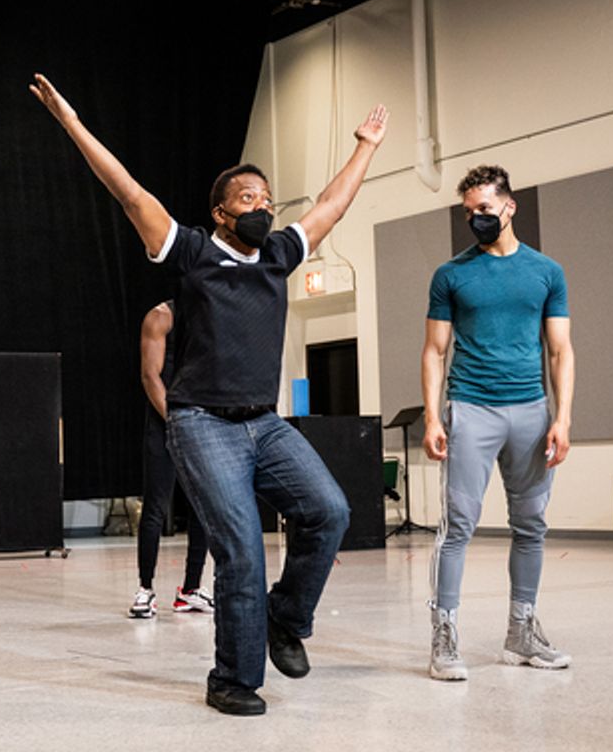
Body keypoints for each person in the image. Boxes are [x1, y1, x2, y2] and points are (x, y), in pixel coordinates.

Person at [31, 73, 387, 715]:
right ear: (221, 211)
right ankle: (231, 678)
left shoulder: (279, 253)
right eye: (247, 197)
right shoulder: (193, 250)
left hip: (266, 424)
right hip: (202, 424)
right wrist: (72, 124)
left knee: (329, 511)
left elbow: (331, 207)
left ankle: (285, 618)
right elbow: (130, 192)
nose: (262, 205)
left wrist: (365, 146)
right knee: (242, 549)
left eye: (268, 197)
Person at [421, 164, 575, 681]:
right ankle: (444, 638)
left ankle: (522, 633)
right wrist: (432, 416)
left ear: (509, 206)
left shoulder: (546, 272)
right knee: (457, 526)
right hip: (472, 408)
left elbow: (560, 351)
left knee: (531, 525)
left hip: (531, 411)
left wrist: (563, 418)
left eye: (484, 209)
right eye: (469, 213)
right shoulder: (452, 275)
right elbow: (434, 350)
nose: (476, 219)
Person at [130, 300, 212, 618]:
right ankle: (145, 590)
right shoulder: (160, 317)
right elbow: (151, 377)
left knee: (202, 508)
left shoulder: (210, 315)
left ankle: (190, 590)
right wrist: (177, 422)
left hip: (201, 423)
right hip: (164, 424)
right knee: (155, 507)